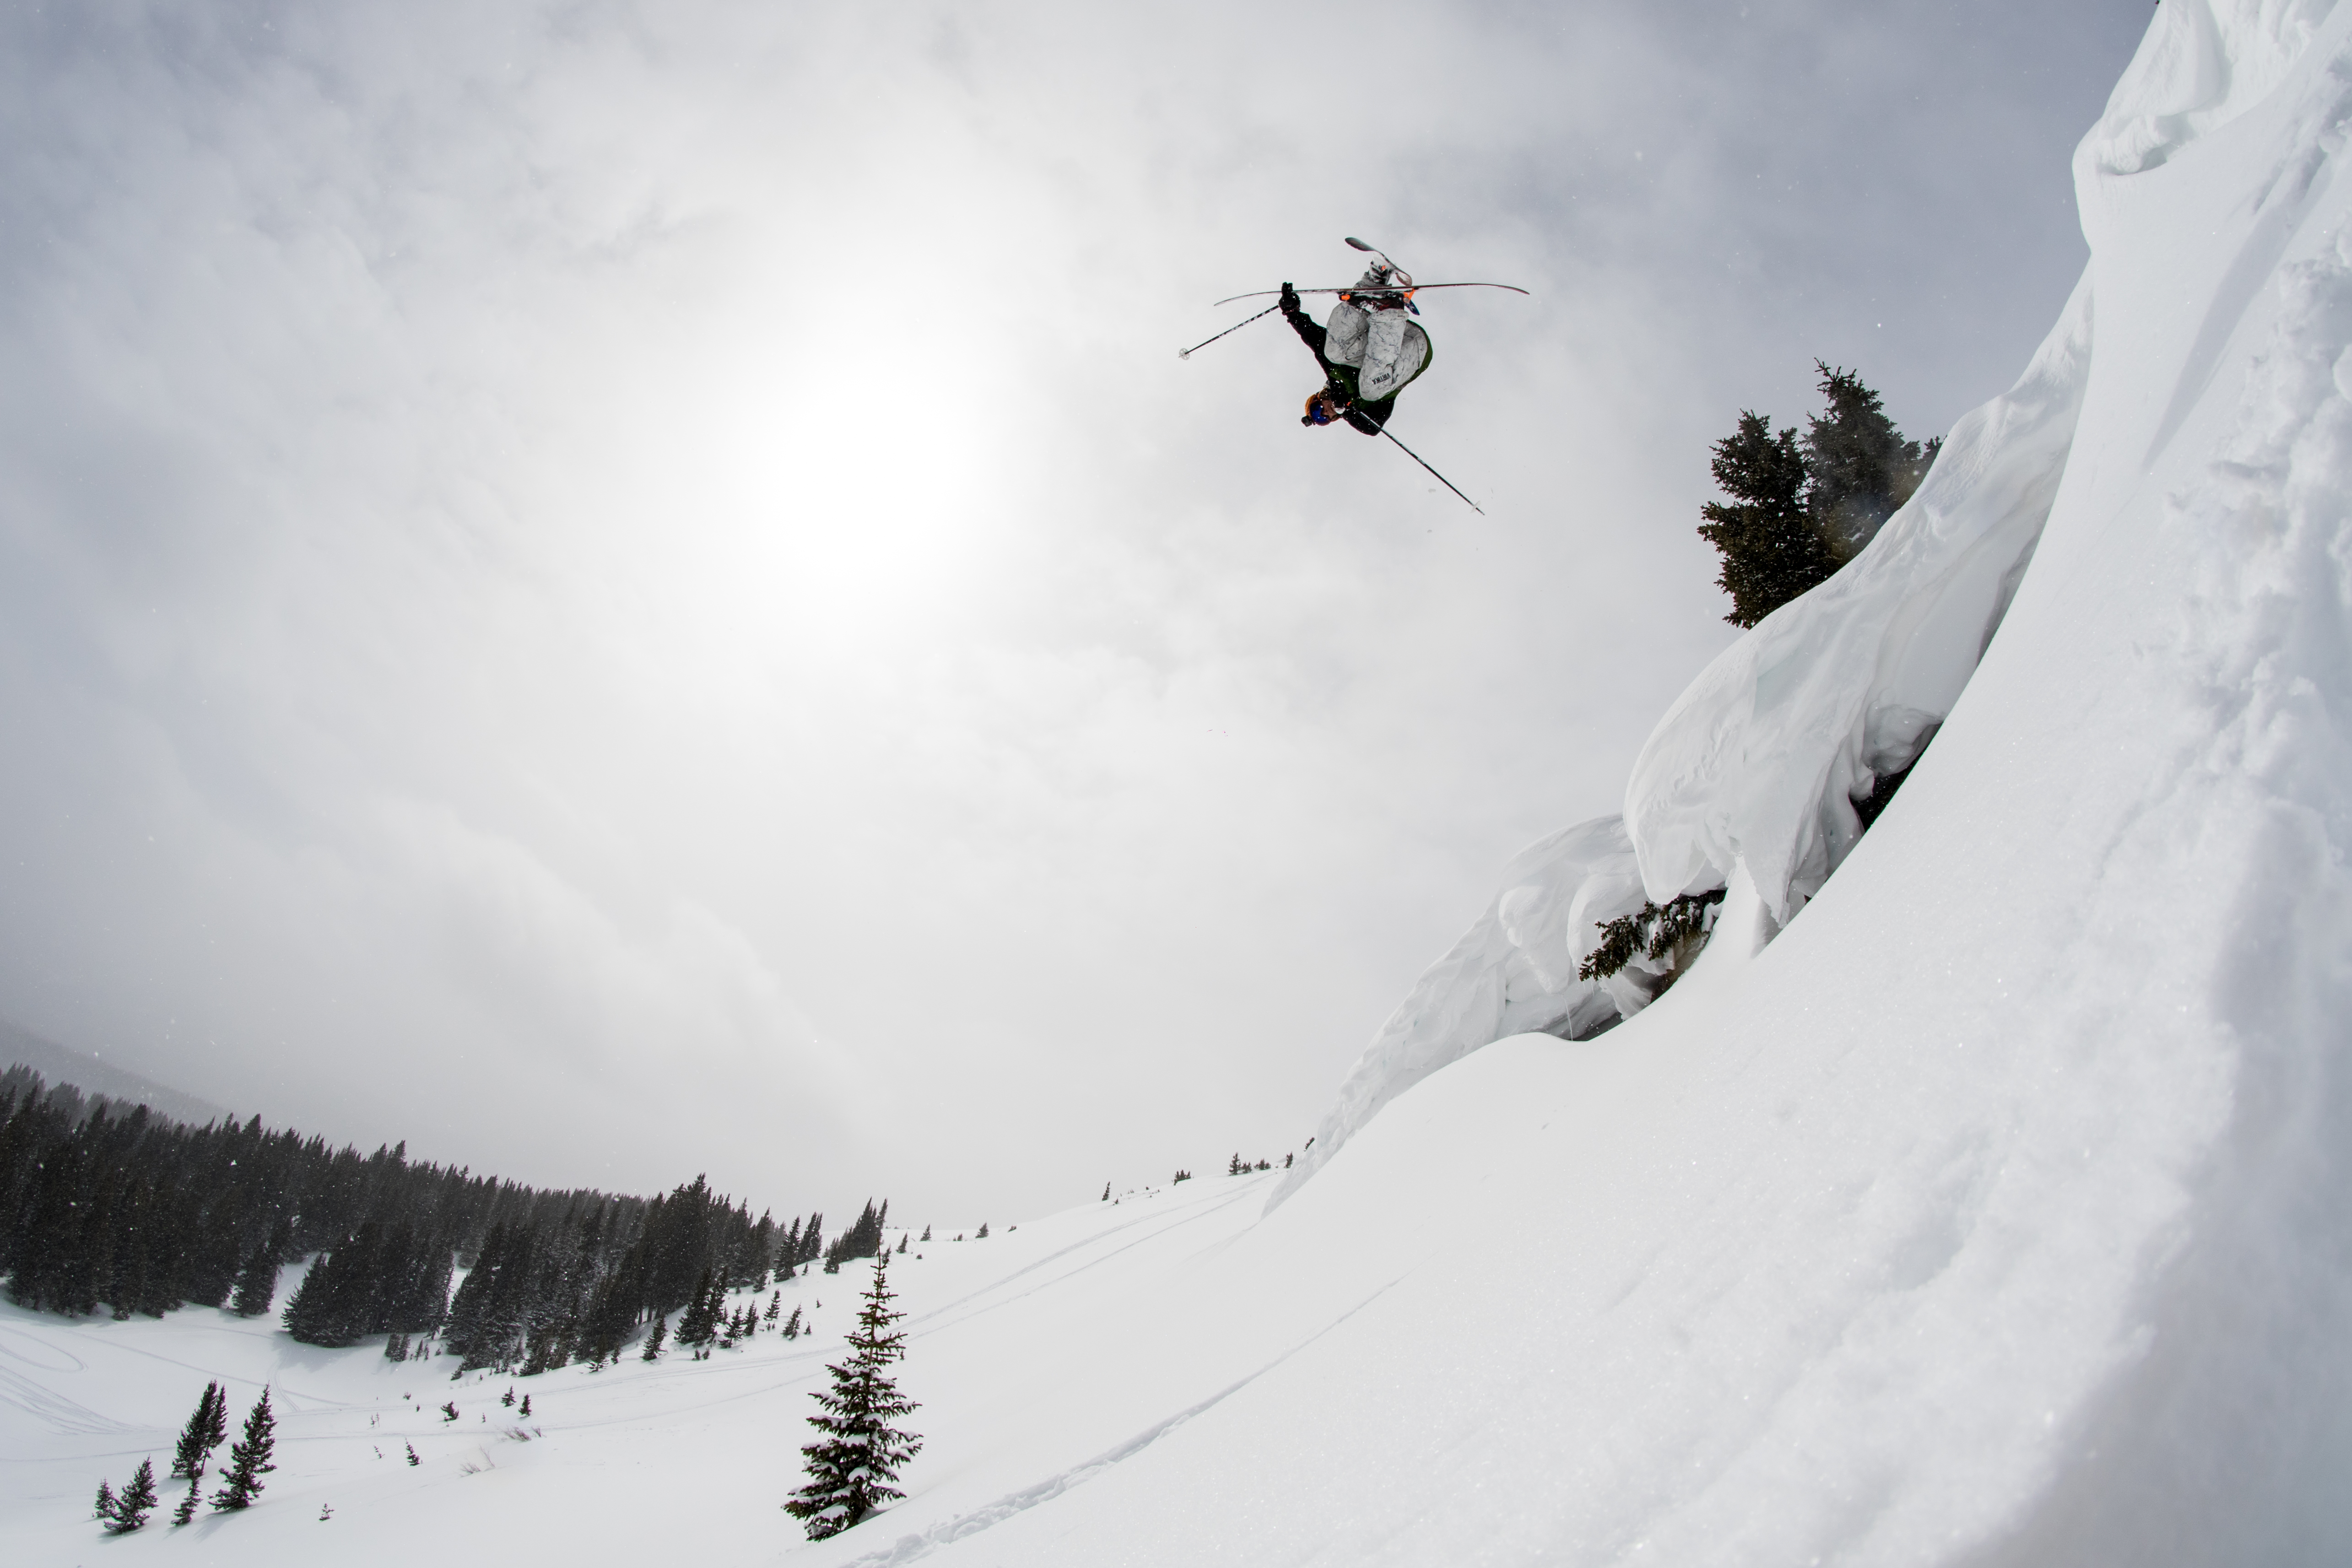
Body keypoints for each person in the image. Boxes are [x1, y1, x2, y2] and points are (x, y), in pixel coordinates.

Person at [1281, 278, 1433, 435]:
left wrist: (1292, 313)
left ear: (1319, 397)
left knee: (1333, 352)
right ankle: (1390, 311)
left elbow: (1313, 337)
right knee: (1369, 390)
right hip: (1416, 353)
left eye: (1318, 410)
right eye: (1324, 420)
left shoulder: (1335, 373)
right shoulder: (1362, 407)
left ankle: (1373, 285)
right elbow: (1373, 429)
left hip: (1395, 330)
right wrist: (1346, 410)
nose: (1326, 413)